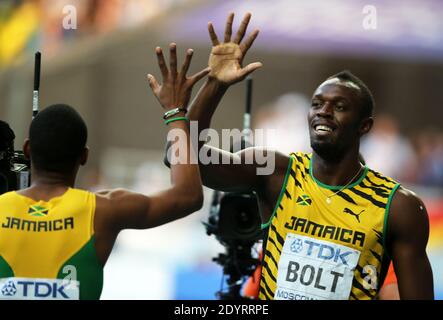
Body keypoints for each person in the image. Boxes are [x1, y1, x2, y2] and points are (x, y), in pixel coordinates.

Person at [166, 12, 434, 300]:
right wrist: (215, 86)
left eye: (339, 106)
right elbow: (184, 155)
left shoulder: (399, 207)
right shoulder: (276, 173)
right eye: (317, 103)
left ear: (364, 126)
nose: (323, 111)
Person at [0, 43, 209, 300]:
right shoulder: (104, 210)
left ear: (28, 150)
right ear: (84, 156)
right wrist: (175, 112)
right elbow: (188, 196)